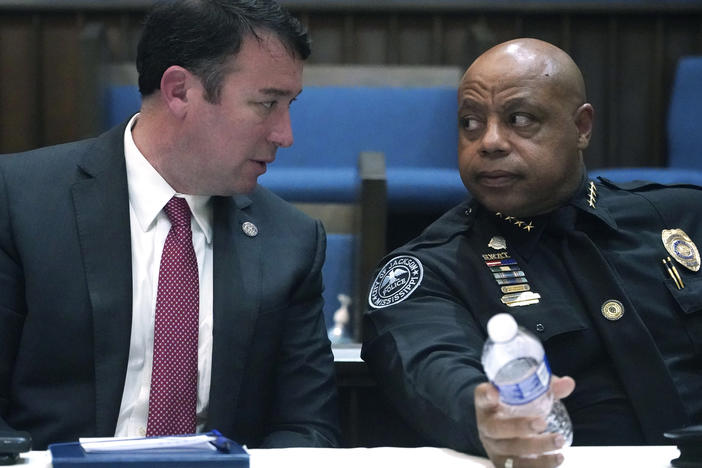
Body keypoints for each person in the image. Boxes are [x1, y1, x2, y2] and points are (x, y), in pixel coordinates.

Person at [0, 0, 340, 450]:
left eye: (289, 104)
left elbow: (307, 427)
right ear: (179, 91)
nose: (285, 134)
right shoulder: (21, 201)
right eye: (267, 104)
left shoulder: (291, 242)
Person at [362, 38, 701, 468]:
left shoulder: (684, 216)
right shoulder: (432, 268)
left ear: (581, 127)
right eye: (470, 123)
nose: (489, 142)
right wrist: (484, 415)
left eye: (520, 119)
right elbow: (431, 368)